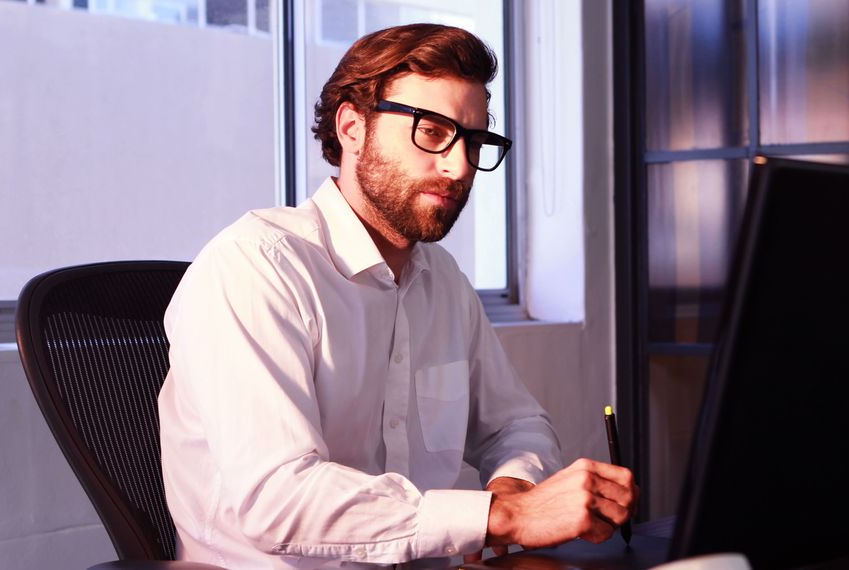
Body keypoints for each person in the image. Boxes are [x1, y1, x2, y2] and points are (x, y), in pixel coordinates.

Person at [158, 23, 638, 569]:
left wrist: (513, 487)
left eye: (474, 141)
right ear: (352, 127)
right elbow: (278, 500)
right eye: (432, 132)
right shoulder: (255, 267)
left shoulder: (443, 281)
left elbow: (515, 425)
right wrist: (499, 518)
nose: (459, 166)